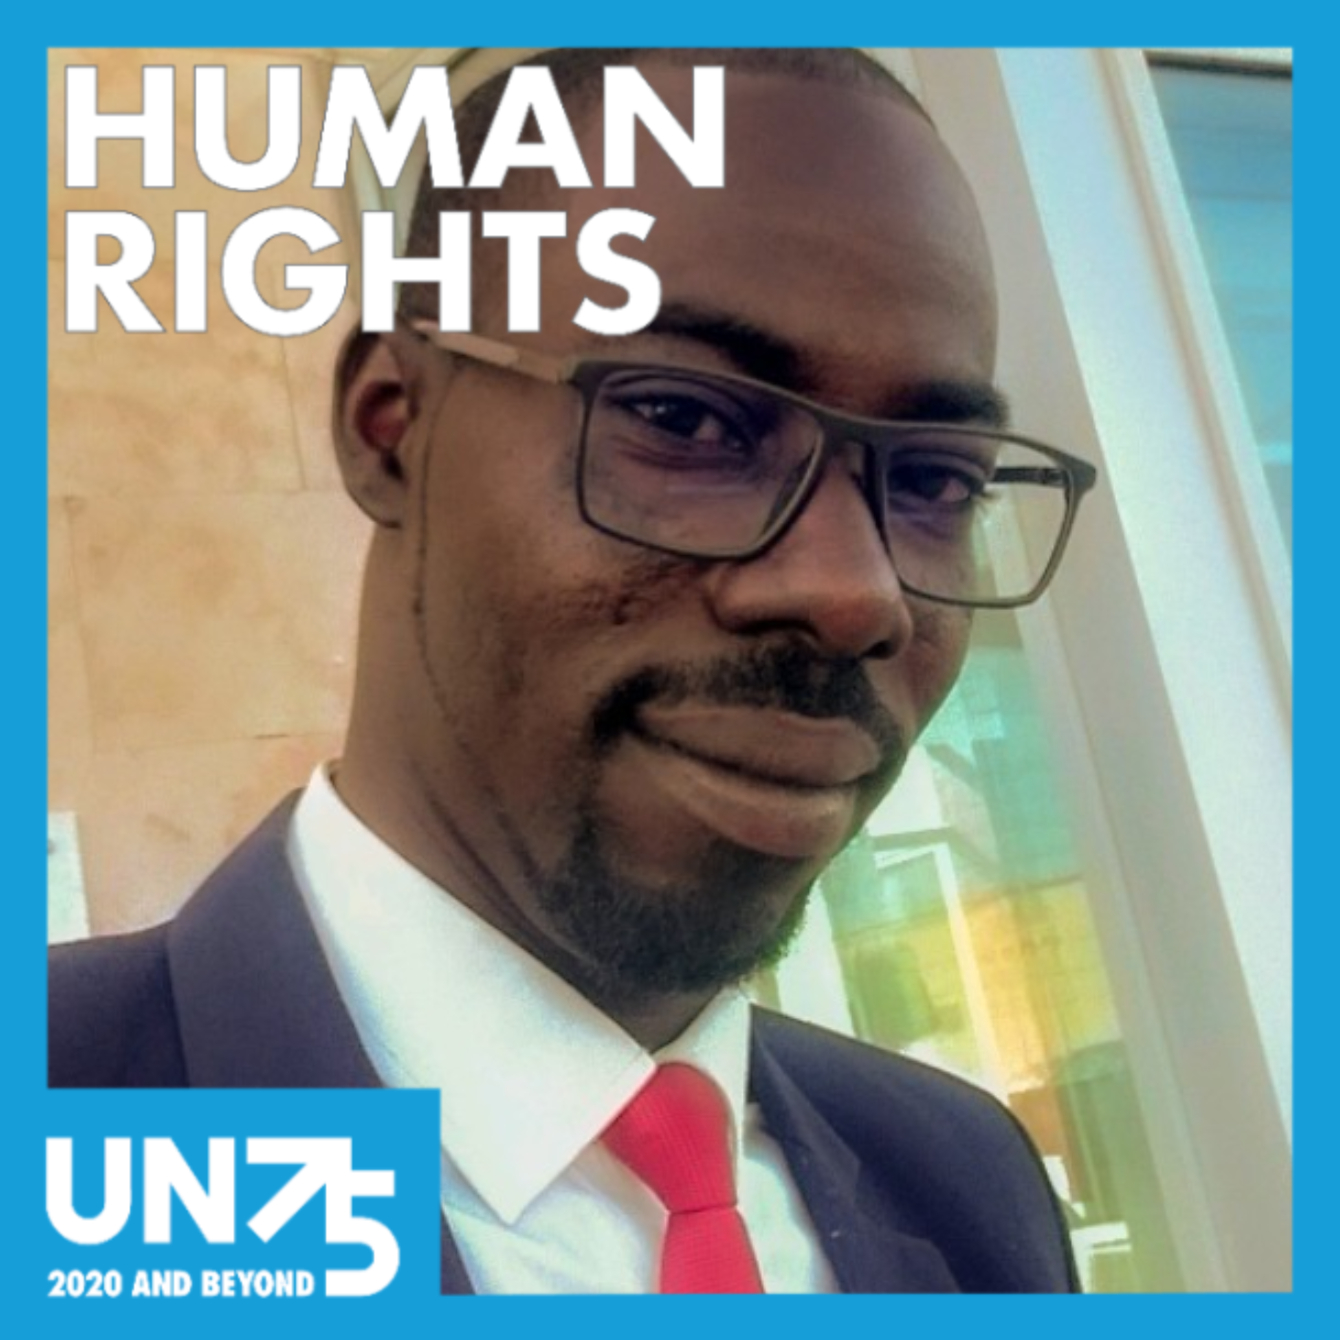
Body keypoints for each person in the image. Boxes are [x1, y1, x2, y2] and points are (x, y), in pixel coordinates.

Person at [49, 48, 1096, 1294]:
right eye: (688, 420)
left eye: (935, 481)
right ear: (392, 424)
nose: (853, 592)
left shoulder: (965, 1181)